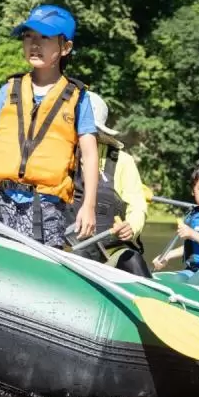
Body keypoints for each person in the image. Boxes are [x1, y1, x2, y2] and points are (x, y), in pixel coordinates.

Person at [0, 5, 98, 248]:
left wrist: (89, 206)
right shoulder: (9, 90)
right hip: (0, 198)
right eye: (28, 36)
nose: (34, 44)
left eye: (45, 37)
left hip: (47, 206)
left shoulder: (78, 98)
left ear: (66, 48)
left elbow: (89, 154)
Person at [66, 91, 151, 277]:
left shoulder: (123, 161)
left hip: (110, 252)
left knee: (133, 259)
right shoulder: (58, 157)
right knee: (79, 253)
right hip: (67, 251)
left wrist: (131, 227)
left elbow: (137, 206)